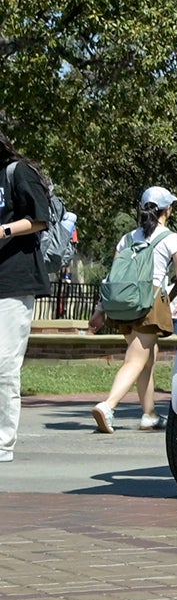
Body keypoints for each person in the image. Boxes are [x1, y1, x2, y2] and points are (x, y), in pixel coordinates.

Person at [92, 187, 177, 432]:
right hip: (148, 304)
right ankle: (108, 405)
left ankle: (149, 414)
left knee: (147, 358)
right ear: (167, 210)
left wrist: (100, 308)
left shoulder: (128, 238)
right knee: (136, 359)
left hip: (123, 304)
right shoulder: (172, 239)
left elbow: (112, 276)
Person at [0, 130, 56, 465]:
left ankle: (3, 442)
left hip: (13, 282)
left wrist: (4, 230)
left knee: (4, 365)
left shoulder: (16, 171)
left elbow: (40, 219)